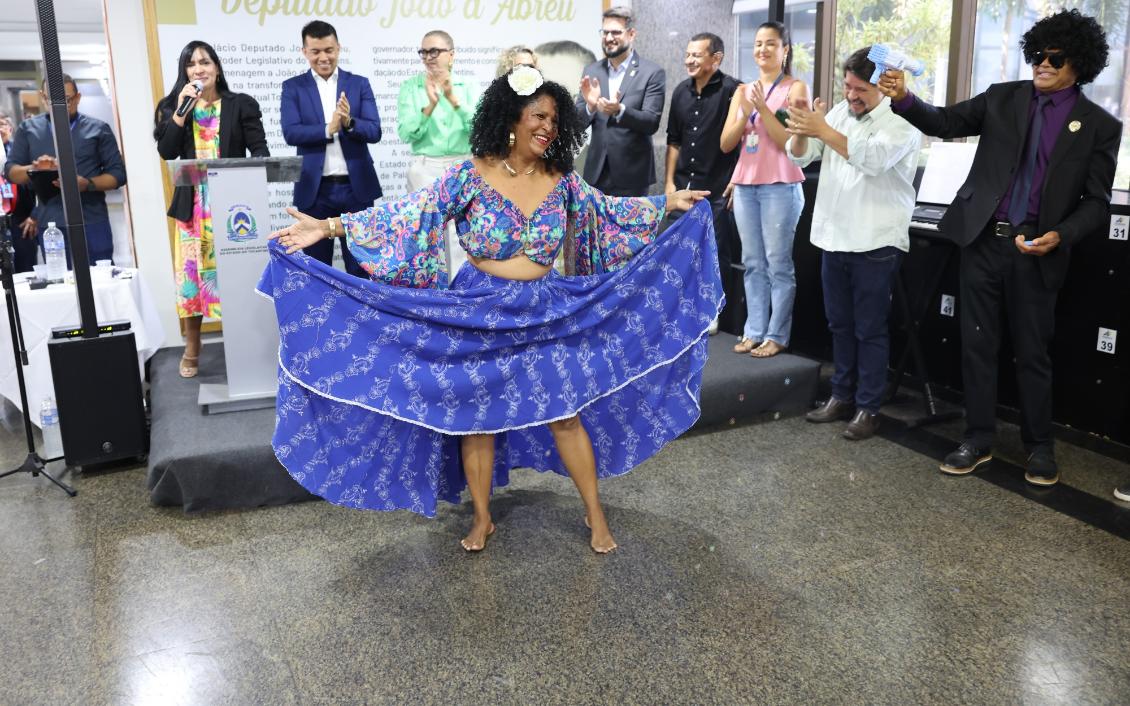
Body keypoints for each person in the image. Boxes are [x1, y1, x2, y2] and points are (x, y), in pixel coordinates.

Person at [260, 67, 718, 554]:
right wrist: (327, 227)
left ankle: (595, 511)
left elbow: (608, 213)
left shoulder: (562, 181)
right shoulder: (471, 174)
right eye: (538, 116)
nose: (548, 127)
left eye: (555, 120)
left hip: (544, 309)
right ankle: (482, 518)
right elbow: (409, 214)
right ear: (511, 118)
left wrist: (667, 202)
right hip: (479, 310)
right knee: (478, 418)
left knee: (565, 413)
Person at [878, 10, 1121, 485]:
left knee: (1032, 352)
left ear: (1081, 63)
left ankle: (1039, 447)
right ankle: (978, 438)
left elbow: (1097, 202)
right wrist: (905, 98)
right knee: (977, 346)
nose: (1043, 63)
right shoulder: (1002, 98)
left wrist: (1062, 235)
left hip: (1038, 248)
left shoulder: (1098, 125)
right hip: (983, 241)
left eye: (1056, 56)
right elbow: (944, 122)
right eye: (1038, 54)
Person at [787, 47, 921, 441]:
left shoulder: (902, 121)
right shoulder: (840, 114)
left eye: (860, 89)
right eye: (847, 86)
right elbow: (802, 156)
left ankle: (869, 407)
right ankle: (840, 397)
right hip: (835, 237)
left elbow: (870, 159)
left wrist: (821, 128)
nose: (850, 96)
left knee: (870, 330)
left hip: (875, 243)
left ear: (883, 85)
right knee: (840, 325)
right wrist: (799, 128)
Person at [153, 41, 269, 378]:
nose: (198, 69)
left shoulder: (241, 104)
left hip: (233, 208)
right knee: (190, 279)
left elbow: (259, 149)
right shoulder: (173, 106)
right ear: (185, 72)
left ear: (216, 67)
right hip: (193, 209)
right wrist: (180, 111)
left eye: (205, 62)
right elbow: (167, 151)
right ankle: (193, 345)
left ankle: (244, 344)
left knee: (235, 276)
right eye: (191, 64)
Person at [719, 21, 808, 358]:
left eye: (771, 44)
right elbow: (727, 143)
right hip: (745, 185)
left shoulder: (795, 88)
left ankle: (777, 334)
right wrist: (746, 112)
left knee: (778, 263)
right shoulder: (743, 91)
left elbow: (790, 143)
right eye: (758, 44)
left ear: (785, 50)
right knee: (753, 262)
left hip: (781, 185)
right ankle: (754, 330)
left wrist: (763, 109)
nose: (763, 50)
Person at [281, 20, 382, 278]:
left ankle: (362, 320)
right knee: (317, 271)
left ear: (338, 48)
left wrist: (348, 123)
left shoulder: (359, 84)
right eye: (315, 51)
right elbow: (291, 132)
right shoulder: (293, 87)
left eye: (329, 50)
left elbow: (374, 131)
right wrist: (329, 128)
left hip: (356, 191)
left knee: (361, 269)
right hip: (314, 193)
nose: (323, 57)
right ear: (305, 51)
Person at [3, 75, 126, 267]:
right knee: (60, 282)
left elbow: (118, 175)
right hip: (52, 225)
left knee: (100, 278)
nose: (60, 106)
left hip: (92, 220)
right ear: (44, 98)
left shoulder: (98, 129)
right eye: (53, 100)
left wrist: (87, 184)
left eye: (66, 100)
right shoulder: (29, 130)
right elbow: (11, 172)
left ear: (77, 98)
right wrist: (34, 168)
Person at [664, 32, 740, 335]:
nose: (689, 60)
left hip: (717, 186)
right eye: (688, 55)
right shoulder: (681, 91)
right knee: (680, 251)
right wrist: (669, 181)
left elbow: (744, 141)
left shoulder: (733, 90)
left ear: (716, 58)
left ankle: (712, 311)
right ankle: (682, 308)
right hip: (683, 187)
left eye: (696, 55)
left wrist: (737, 179)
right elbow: (674, 140)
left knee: (716, 251)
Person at [397, 29, 477, 277]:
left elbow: (479, 129)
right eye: (424, 52)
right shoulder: (411, 87)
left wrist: (454, 101)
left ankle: (462, 293)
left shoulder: (467, 86)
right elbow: (406, 132)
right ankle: (430, 294)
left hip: (462, 165)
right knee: (426, 234)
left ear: (451, 55)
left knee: (461, 235)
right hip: (424, 168)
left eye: (435, 51)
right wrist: (429, 107)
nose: (429, 57)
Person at [577, 6, 666, 197]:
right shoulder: (591, 71)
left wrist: (619, 111)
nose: (609, 38)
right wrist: (590, 107)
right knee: (595, 227)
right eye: (605, 32)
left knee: (631, 228)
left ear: (631, 34)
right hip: (596, 175)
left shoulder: (651, 72)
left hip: (632, 175)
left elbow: (651, 122)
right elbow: (576, 124)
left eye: (616, 32)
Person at [0, 109, 37, 272]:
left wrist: (35, 215)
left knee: (26, 266)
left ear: (10, 128)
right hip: (1, 218)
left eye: (2, 124)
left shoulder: (22, 152)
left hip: (22, 218)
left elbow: (38, 183)